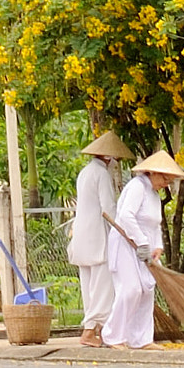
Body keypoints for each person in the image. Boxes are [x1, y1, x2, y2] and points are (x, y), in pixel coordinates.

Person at [103, 150, 184, 349]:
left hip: (145, 247)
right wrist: (141, 242)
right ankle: (113, 336)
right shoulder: (136, 187)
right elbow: (126, 217)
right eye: (165, 178)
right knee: (131, 289)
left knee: (147, 290)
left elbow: (155, 224)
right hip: (126, 244)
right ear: (153, 173)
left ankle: (141, 339)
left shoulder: (154, 195)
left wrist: (157, 246)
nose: (166, 183)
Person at [68, 130, 131, 347]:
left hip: (82, 235)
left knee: (89, 288)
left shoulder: (84, 172)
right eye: (116, 158)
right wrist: (125, 232)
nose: (116, 162)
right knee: (103, 287)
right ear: (108, 157)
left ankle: (99, 330)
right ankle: (89, 330)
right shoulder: (102, 175)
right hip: (97, 235)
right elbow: (109, 208)